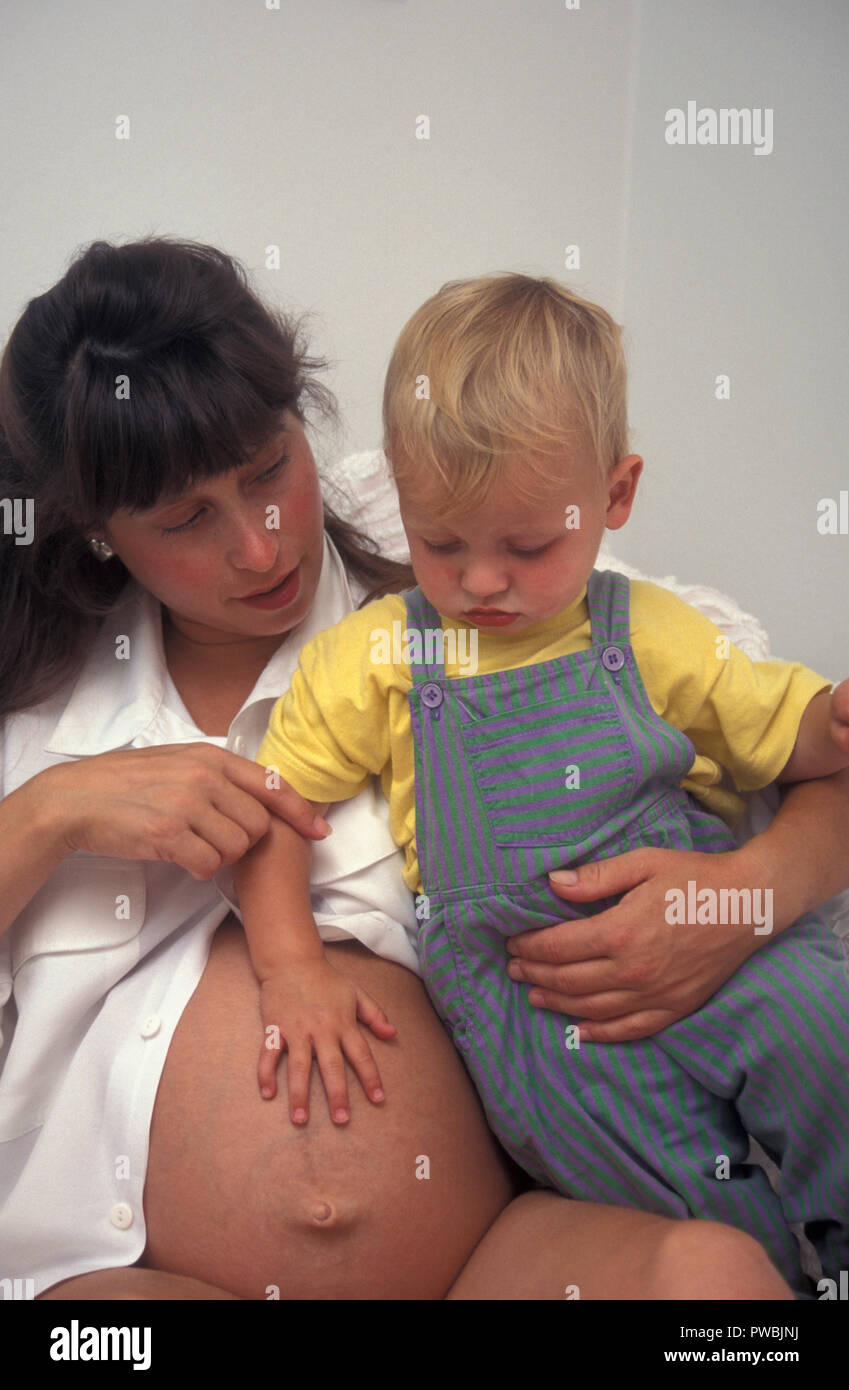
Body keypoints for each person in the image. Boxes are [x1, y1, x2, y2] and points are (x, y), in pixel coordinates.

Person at [0, 240, 844, 1302]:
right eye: (185, 521)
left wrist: (743, 899)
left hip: (482, 1264)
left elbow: (811, 753)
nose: (261, 549)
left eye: (269, 471)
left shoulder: (497, 586)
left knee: (714, 1289)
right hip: (129, 1274)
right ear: (99, 535)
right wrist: (43, 816)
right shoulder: (35, 715)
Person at [234, 273, 849, 1298]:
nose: (481, 583)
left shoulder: (648, 629)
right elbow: (274, 808)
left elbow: (780, 731)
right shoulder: (380, 654)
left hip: (708, 919)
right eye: (441, 544)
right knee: (658, 1174)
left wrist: (830, 724)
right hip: (534, 1002)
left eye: (528, 546)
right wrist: (289, 959)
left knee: (823, 1021)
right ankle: (782, 1283)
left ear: (614, 496)